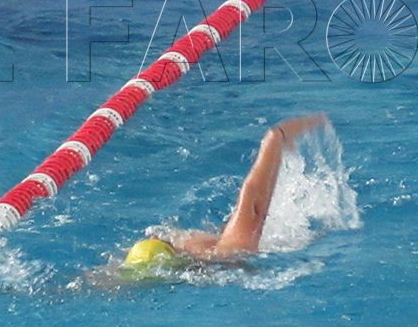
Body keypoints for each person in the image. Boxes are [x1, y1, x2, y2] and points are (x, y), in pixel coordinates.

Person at [122, 113, 332, 271]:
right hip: (272, 254)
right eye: (164, 242)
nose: (160, 236)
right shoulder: (227, 253)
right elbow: (254, 205)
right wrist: (276, 138)